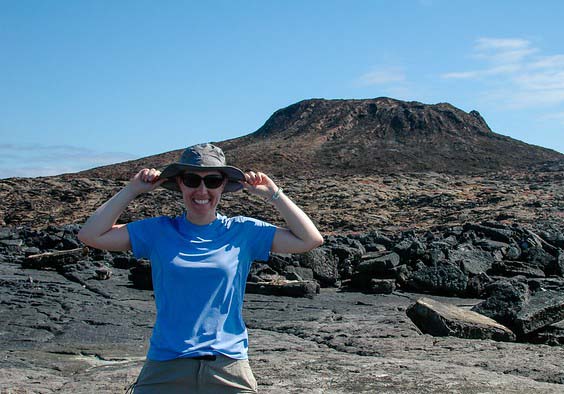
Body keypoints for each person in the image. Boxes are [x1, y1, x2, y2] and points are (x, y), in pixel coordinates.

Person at [77, 143, 324, 393]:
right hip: (166, 365)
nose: (202, 190)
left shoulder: (243, 232)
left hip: (228, 366)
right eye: (192, 180)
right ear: (180, 184)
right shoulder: (158, 231)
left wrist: (274, 194)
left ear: (224, 186)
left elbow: (310, 240)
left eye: (213, 180)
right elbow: (90, 235)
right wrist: (132, 190)